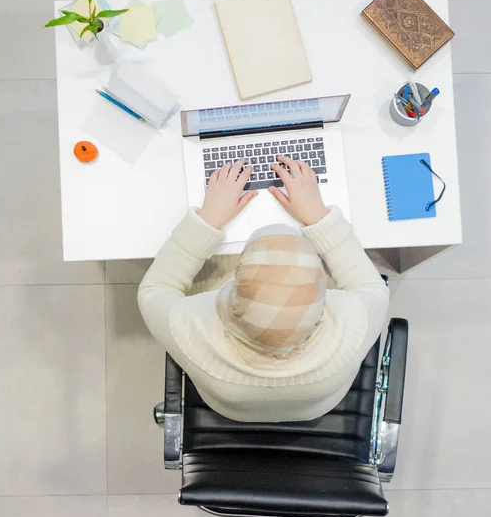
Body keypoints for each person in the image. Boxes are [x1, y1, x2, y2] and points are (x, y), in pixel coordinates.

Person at [138, 156, 389, 422]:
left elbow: (155, 289)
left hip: (229, 407)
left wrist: (207, 220)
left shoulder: (191, 333)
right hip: (317, 405)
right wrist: (318, 217)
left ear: (231, 306)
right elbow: (369, 285)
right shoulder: (354, 328)